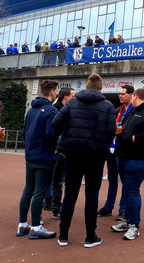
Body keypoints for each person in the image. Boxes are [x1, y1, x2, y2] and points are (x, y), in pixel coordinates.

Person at [53, 74, 117, 248]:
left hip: (73, 154)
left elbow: (56, 122)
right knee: (92, 195)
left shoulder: (73, 102)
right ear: (101, 87)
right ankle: (90, 237)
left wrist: (61, 146)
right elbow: (112, 130)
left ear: (86, 86)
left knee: (70, 194)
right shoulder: (108, 106)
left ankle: (63, 236)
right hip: (95, 156)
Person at [114, 88, 144, 240]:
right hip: (123, 156)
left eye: (131, 96)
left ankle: (134, 225)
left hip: (138, 157)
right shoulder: (132, 112)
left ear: (135, 96)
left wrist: (136, 138)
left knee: (132, 190)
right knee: (127, 190)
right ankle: (128, 221)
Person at [17, 80, 59, 240]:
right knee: (40, 192)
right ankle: (36, 226)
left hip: (31, 155)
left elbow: (24, 131)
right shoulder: (51, 111)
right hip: (44, 155)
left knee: (28, 189)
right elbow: (50, 134)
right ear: (53, 92)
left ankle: (22, 224)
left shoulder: (31, 110)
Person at [101, 85, 134, 223]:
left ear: (131, 95)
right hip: (112, 149)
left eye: (123, 94)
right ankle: (108, 207)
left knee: (125, 181)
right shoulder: (117, 110)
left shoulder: (134, 111)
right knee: (112, 180)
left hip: (124, 151)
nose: (120, 96)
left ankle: (123, 209)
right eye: (119, 94)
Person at [43, 87, 75, 218]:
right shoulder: (56, 110)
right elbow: (54, 130)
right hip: (57, 150)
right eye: (73, 95)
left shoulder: (64, 109)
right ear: (65, 96)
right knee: (56, 179)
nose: (75, 98)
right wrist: (58, 146)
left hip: (58, 148)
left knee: (54, 178)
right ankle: (54, 205)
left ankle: (50, 201)